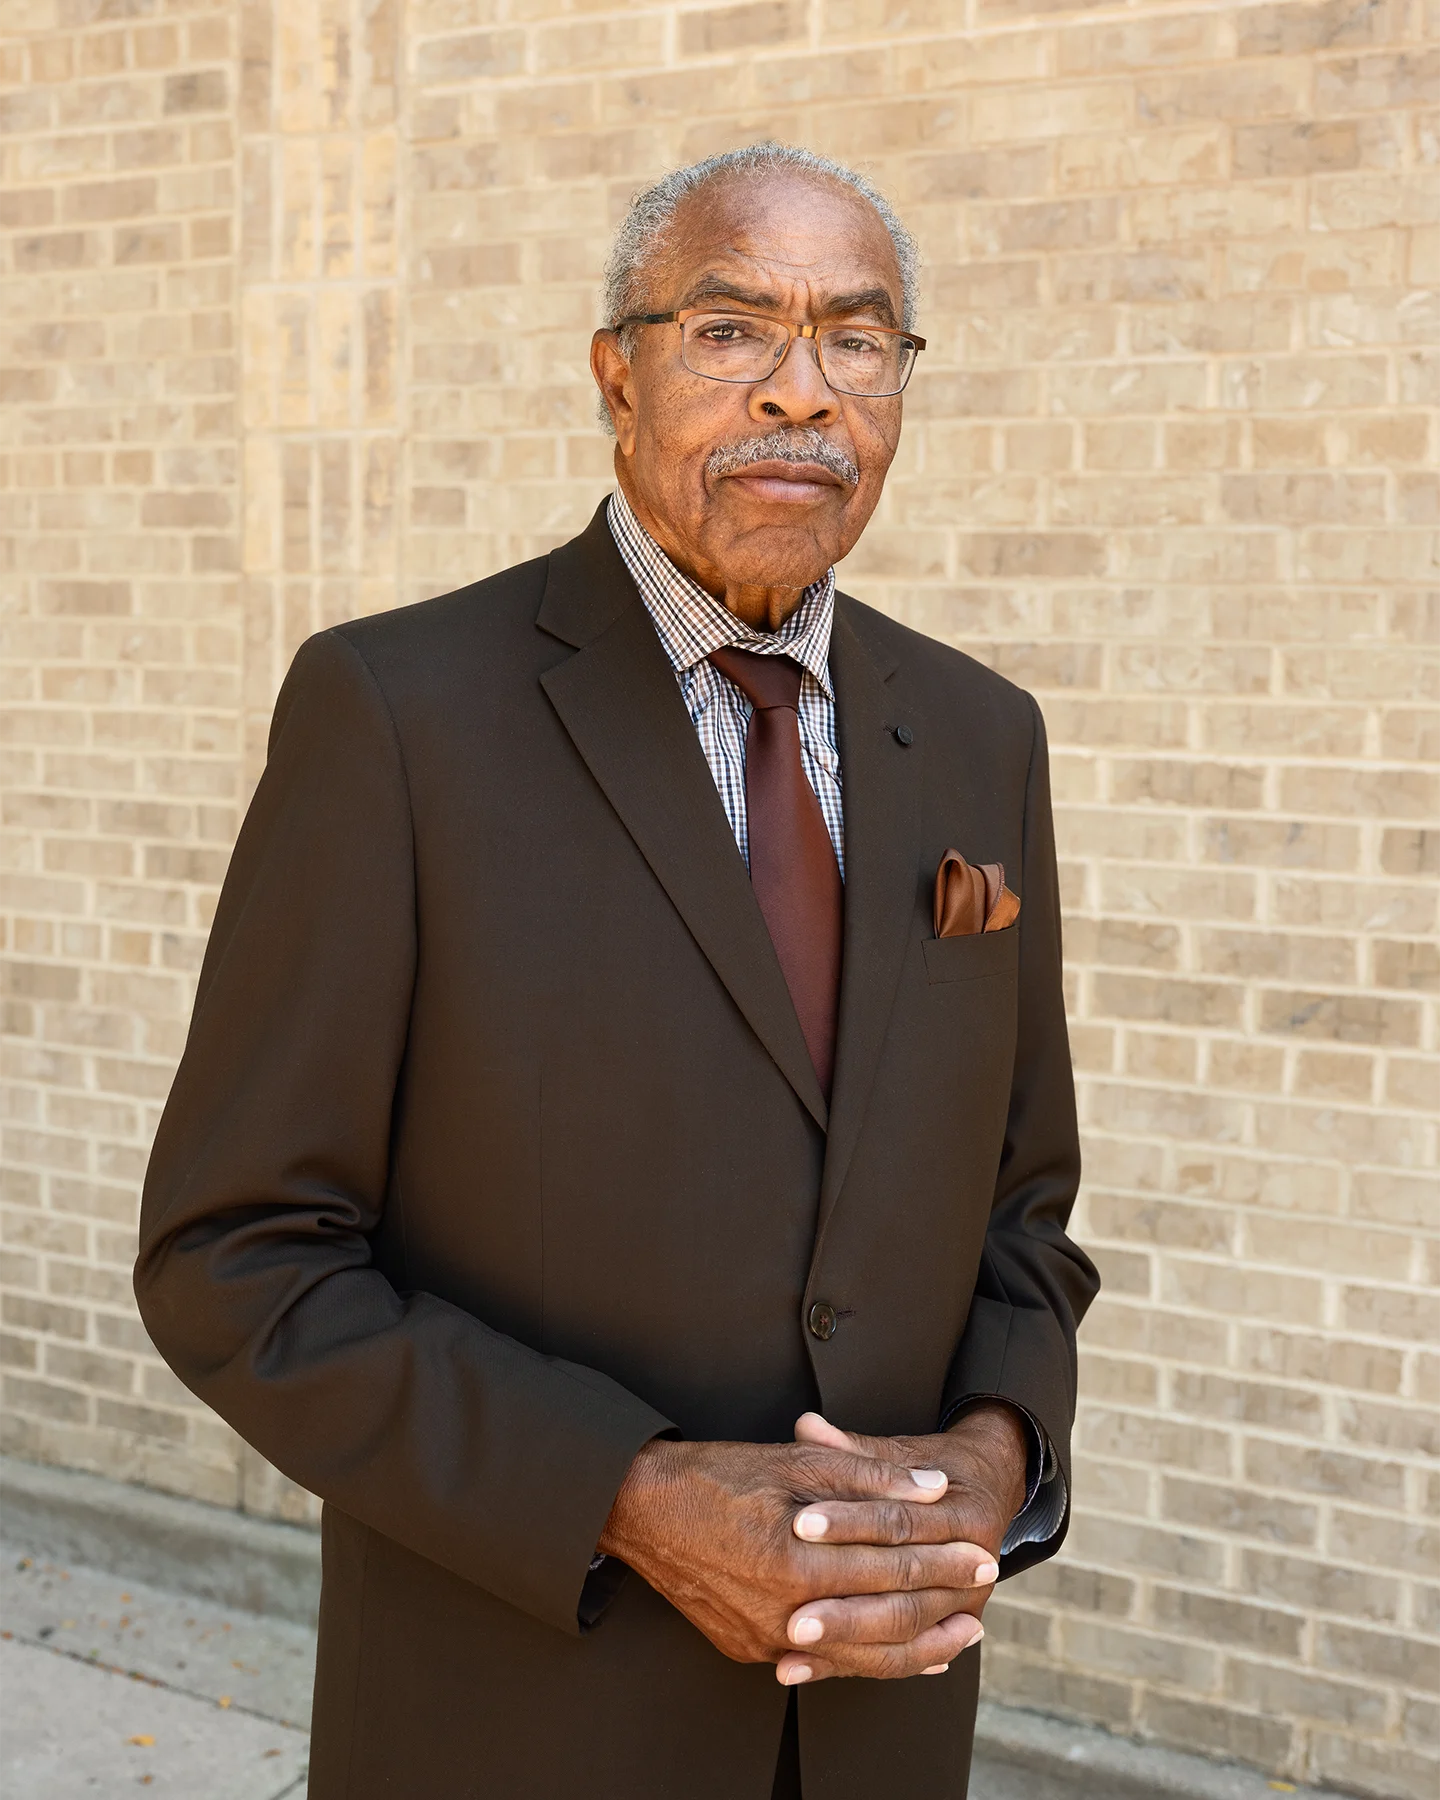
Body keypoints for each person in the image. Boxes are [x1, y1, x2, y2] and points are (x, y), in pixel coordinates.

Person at [134, 142, 1098, 1800]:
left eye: (857, 341)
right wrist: (633, 1495)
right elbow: (239, 1259)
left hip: (880, 1735)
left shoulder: (982, 738)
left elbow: (1019, 1211)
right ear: (618, 373)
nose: (802, 394)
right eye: (732, 330)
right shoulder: (396, 716)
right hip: (517, 1722)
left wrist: (993, 1455)